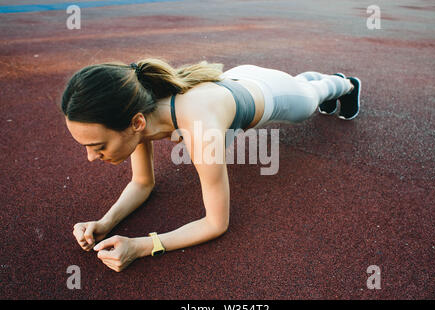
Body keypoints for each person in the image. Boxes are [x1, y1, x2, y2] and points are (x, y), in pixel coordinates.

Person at [61, 58, 361, 272]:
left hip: (271, 93)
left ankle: (343, 83)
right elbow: (143, 183)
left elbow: (216, 223)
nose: (91, 157)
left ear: (137, 123)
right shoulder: (136, 113)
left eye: (98, 146)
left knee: (311, 99)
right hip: (233, 81)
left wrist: (141, 246)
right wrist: (105, 223)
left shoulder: (200, 131)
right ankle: (306, 81)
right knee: (304, 89)